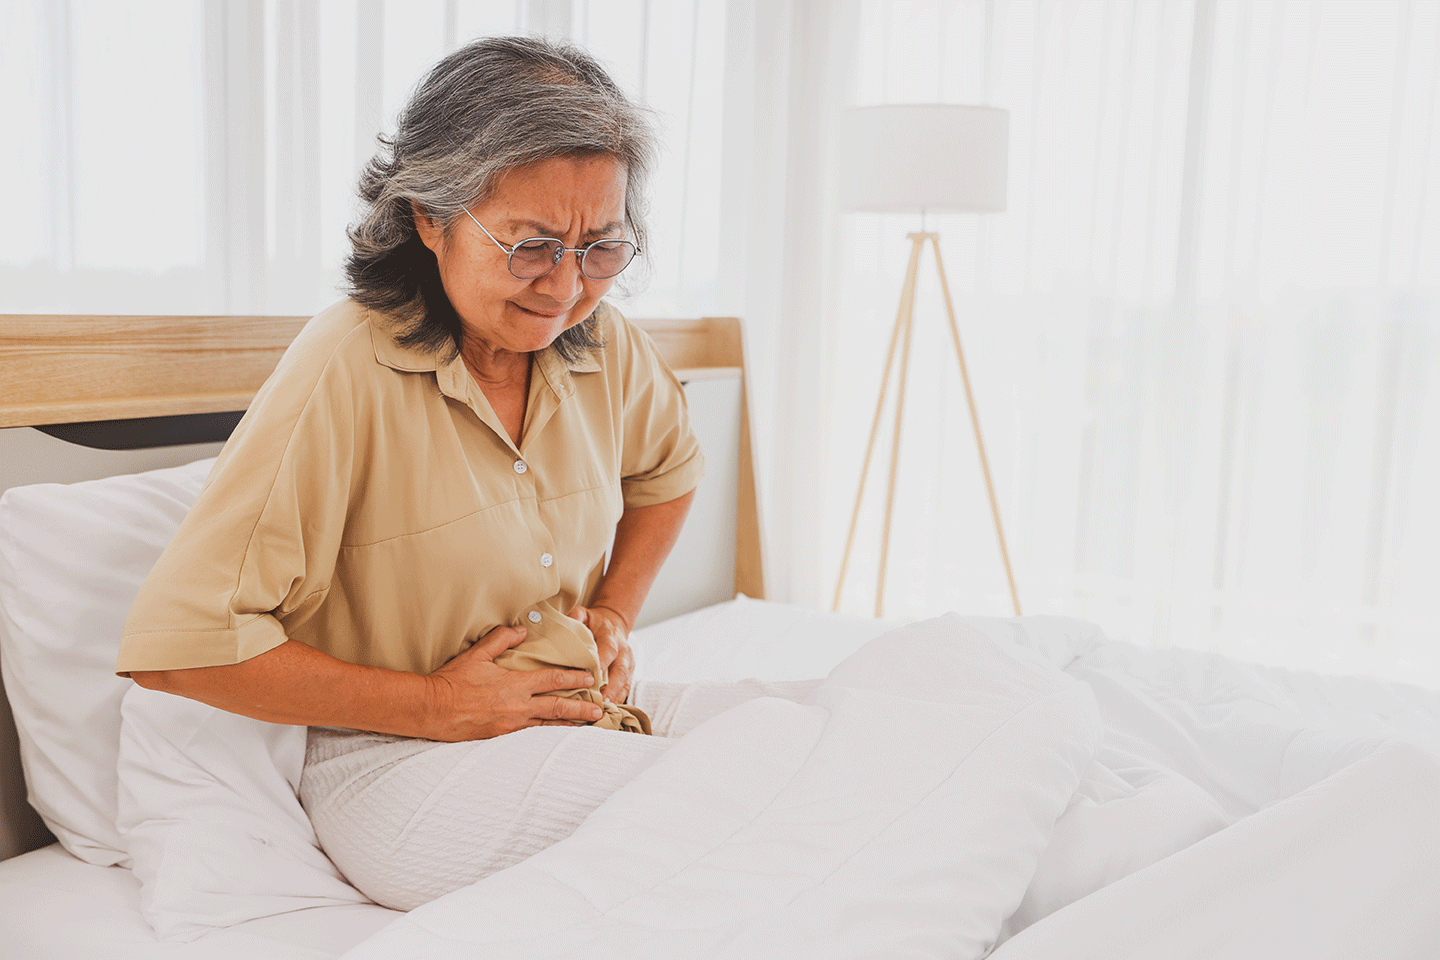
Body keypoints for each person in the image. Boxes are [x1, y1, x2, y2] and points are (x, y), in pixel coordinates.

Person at [115, 35, 818, 910]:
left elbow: (669, 470)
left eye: (599, 247)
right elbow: (180, 648)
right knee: (750, 802)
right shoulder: (345, 366)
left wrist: (613, 615)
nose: (565, 287)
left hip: (571, 705)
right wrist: (438, 703)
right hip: (398, 761)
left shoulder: (599, 342)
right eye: (532, 246)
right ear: (430, 217)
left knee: (842, 729)